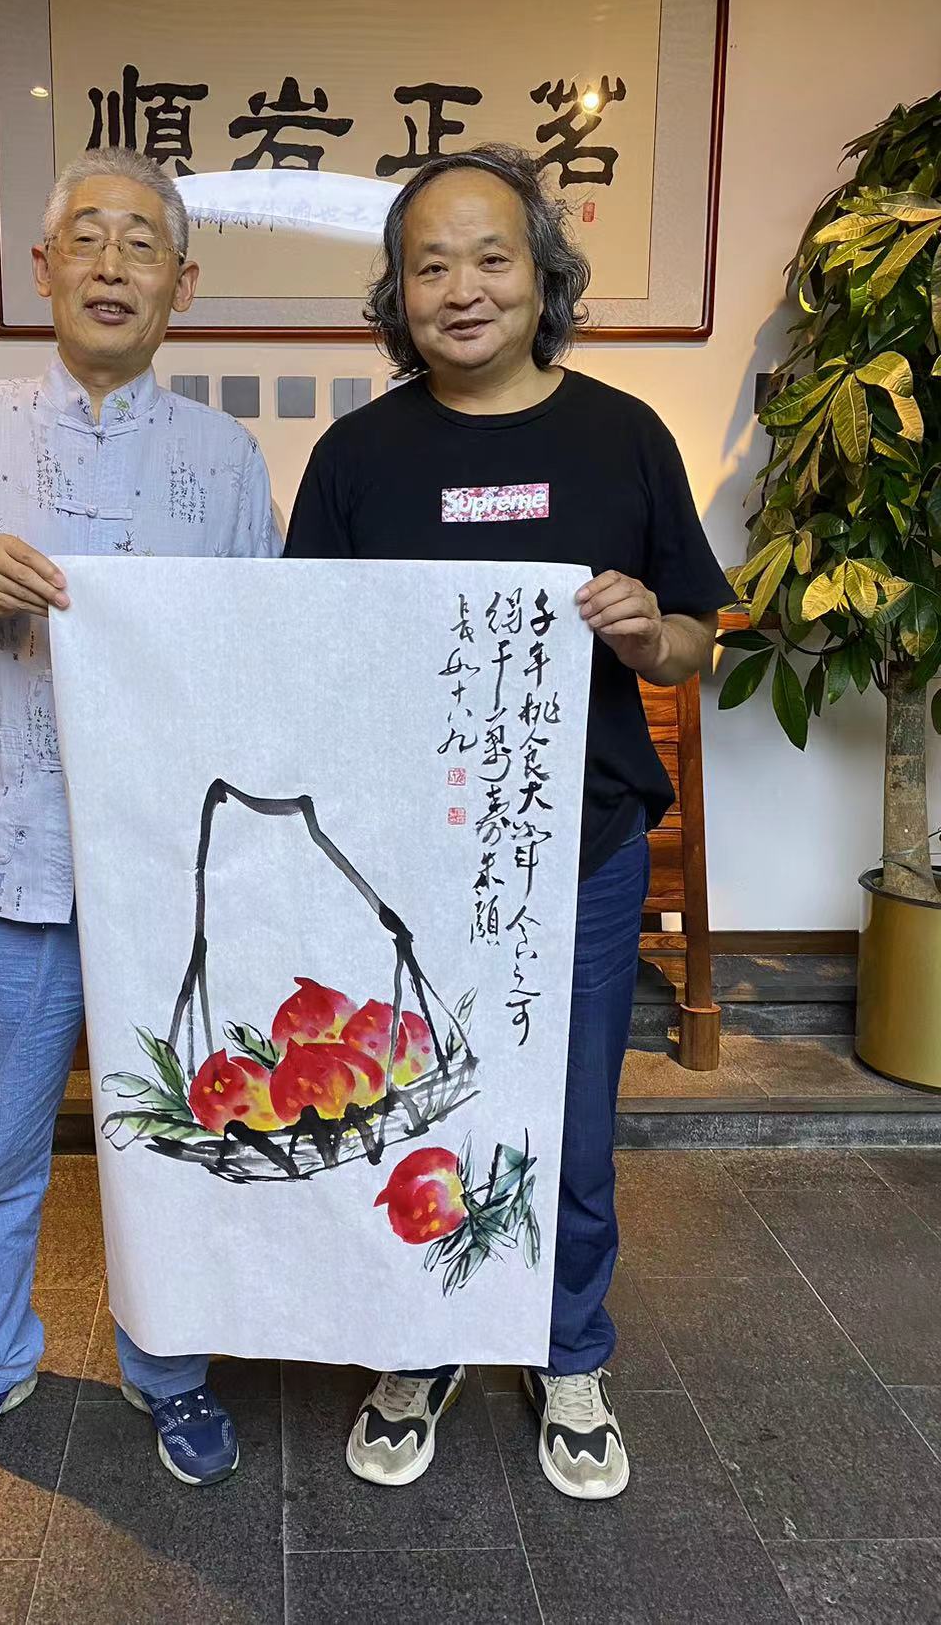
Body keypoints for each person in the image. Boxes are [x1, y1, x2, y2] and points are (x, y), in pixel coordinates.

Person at [285, 143, 734, 1500]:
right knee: (412, 1101)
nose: (463, 289)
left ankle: (568, 1349)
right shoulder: (357, 455)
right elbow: (303, 652)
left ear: (545, 276)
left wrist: (652, 634)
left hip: (579, 850)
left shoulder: (623, 436)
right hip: (405, 857)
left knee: (573, 1119)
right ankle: (420, 1343)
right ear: (397, 296)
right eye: (431, 266)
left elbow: (695, 636)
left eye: (492, 259)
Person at [0, 147, 279, 1496]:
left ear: (182, 286)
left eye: (142, 243)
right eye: (87, 239)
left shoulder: (225, 459)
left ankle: (172, 1364)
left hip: (172, 871)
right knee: (2, 1142)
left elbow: (258, 657)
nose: (112, 264)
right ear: (42, 270)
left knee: (179, 1132)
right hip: (12, 857)